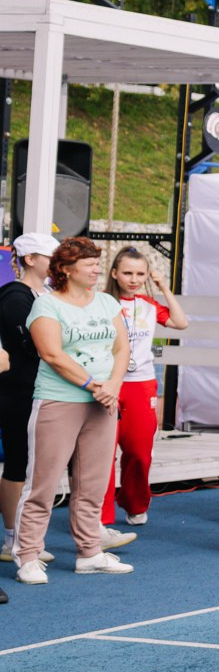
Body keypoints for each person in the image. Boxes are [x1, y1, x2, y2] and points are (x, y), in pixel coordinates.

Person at [16, 236, 134, 580]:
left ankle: (89, 553)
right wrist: (91, 384)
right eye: (89, 264)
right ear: (66, 270)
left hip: (103, 402)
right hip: (58, 401)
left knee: (93, 484)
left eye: (98, 263)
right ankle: (27, 556)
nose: (97, 269)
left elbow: (121, 350)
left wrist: (112, 385)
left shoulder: (108, 303)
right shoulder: (46, 305)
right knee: (42, 483)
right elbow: (52, 354)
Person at [107, 247, 185, 529]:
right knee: (103, 452)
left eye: (140, 273)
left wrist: (163, 286)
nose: (134, 279)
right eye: (127, 272)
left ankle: (134, 503)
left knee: (139, 452)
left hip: (141, 384)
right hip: (109, 383)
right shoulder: (102, 303)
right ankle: (99, 515)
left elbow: (180, 322)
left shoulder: (148, 304)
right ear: (114, 273)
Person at [0, 232, 53, 580]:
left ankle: (25, 535)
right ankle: (11, 537)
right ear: (30, 259)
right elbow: (34, 345)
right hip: (17, 390)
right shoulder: (14, 297)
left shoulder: (44, 295)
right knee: (18, 460)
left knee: (32, 462)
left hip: (38, 388)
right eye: (50, 256)